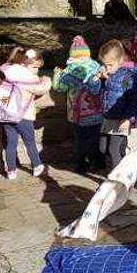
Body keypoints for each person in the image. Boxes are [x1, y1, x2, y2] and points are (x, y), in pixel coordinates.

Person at [52, 36, 104, 174]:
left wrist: (56, 74)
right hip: (95, 111)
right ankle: (98, 162)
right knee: (95, 138)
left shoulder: (68, 70)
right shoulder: (96, 66)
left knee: (80, 140)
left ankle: (81, 164)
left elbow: (59, 87)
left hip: (77, 114)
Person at [0, 47, 52, 179]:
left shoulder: (9, 73)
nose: (37, 70)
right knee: (30, 142)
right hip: (24, 117)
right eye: (34, 67)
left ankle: (11, 170)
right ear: (24, 64)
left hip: (7, 116)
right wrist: (47, 79)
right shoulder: (27, 78)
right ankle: (37, 166)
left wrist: (14, 51)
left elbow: (8, 63)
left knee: (11, 143)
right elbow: (42, 89)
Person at [98, 39, 137, 170]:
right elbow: (105, 93)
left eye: (110, 65)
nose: (107, 68)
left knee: (113, 149)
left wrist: (128, 118)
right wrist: (100, 81)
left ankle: (117, 179)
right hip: (108, 116)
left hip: (121, 118)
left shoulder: (127, 77)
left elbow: (135, 100)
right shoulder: (109, 75)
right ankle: (122, 167)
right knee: (103, 148)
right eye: (104, 64)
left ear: (120, 61)